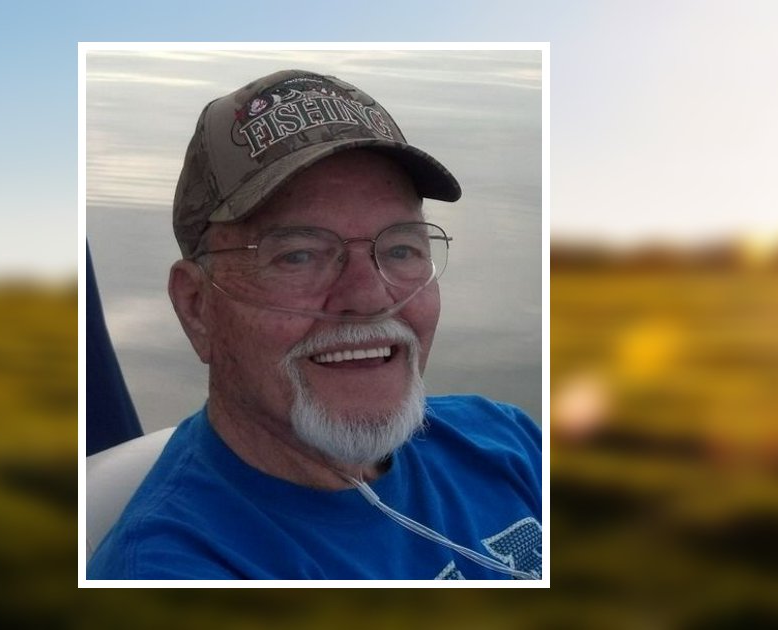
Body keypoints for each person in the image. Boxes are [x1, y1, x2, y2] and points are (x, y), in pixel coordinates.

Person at [87, 69, 541, 580]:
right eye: (299, 255)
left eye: (400, 249)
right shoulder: (175, 569)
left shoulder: (506, 442)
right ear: (197, 307)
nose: (370, 297)